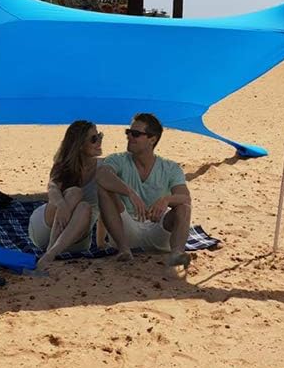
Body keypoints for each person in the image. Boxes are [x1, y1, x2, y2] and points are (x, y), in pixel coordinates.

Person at [96, 112, 193, 268]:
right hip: (126, 230)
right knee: (104, 189)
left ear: (152, 139)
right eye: (128, 132)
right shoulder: (118, 159)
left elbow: (185, 198)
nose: (129, 137)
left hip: (157, 230)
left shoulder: (170, 168)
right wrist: (129, 192)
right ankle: (124, 250)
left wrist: (166, 200)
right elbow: (101, 175)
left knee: (183, 207)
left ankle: (177, 253)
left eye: (135, 134)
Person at [29, 120, 104, 272]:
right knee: (75, 192)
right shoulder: (64, 165)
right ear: (80, 144)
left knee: (84, 206)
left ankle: (50, 253)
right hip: (46, 228)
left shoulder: (104, 168)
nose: (99, 142)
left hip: (76, 236)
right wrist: (62, 205)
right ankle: (51, 248)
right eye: (94, 139)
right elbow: (52, 187)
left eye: (100, 136)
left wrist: (101, 242)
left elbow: (107, 205)